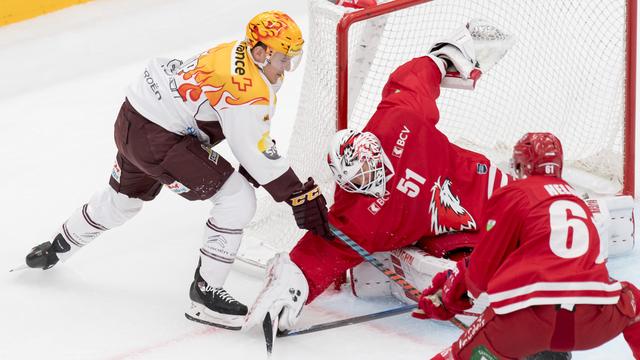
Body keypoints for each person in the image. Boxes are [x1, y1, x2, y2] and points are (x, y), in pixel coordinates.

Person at [22, 10, 330, 331]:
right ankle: (206, 294)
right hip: (158, 138)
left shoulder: (234, 51)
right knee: (238, 199)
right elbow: (255, 149)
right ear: (260, 52)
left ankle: (58, 246)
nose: (288, 68)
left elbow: (246, 137)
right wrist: (298, 194)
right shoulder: (249, 89)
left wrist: (255, 163)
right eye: (283, 58)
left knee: (122, 201)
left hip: (132, 118)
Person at [244, 19, 518, 332]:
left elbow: (409, 83)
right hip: (453, 235)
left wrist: (445, 58)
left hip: (481, 184)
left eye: (367, 166)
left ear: (375, 148)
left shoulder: (397, 122)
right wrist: (293, 283)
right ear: (347, 184)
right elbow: (325, 249)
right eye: (358, 179)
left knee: (536, 218)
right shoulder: (358, 215)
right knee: (457, 272)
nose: (368, 178)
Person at [412, 132, 640, 359]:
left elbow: (482, 268)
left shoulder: (515, 193)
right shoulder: (577, 200)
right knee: (635, 303)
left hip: (528, 320)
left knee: (455, 356)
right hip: (591, 318)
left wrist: (450, 298)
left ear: (521, 165)